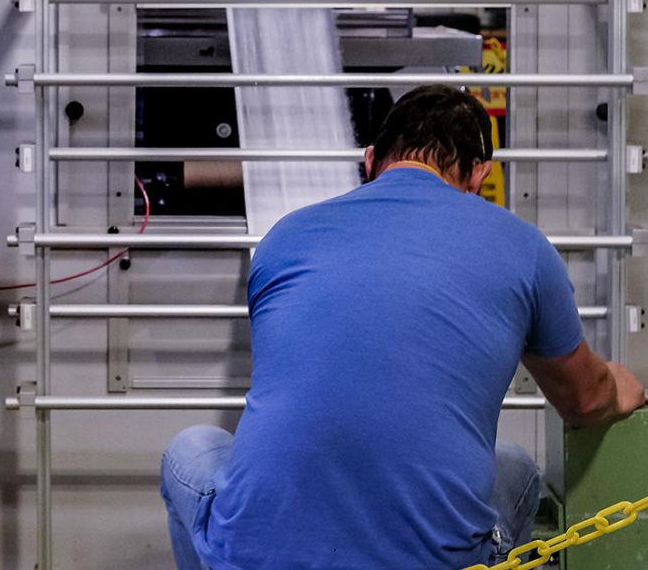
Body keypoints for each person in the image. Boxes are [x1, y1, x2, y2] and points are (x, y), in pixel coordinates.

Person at [160, 85, 646, 570]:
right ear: (480, 174)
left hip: (262, 557)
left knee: (190, 449)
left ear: (370, 160)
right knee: (515, 465)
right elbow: (585, 400)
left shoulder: (282, 237)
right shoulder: (524, 247)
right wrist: (624, 386)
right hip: (431, 561)